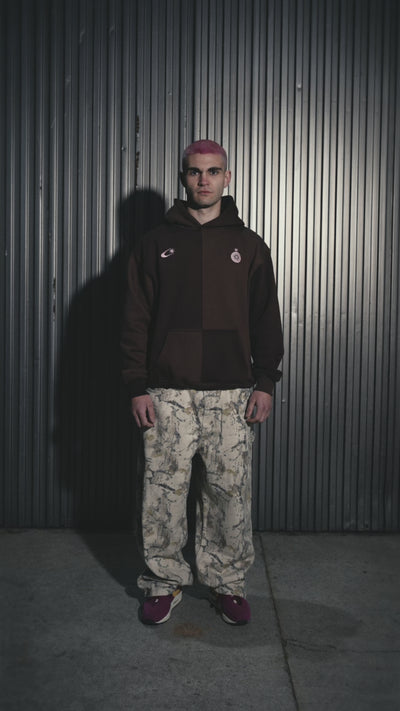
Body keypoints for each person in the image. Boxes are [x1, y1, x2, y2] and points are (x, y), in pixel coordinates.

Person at [121, 139, 283, 625]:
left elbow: (266, 319)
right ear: (183, 177)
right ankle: (163, 581)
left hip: (231, 392)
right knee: (163, 492)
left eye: (213, 171)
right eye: (195, 172)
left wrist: (265, 381)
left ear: (227, 177)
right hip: (167, 391)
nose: (204, 180)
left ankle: (226, 582)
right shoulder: (154, 244)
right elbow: (135, 319)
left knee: (229, 492)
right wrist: (136, 384)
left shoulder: (249, 246)